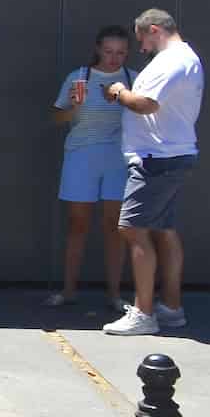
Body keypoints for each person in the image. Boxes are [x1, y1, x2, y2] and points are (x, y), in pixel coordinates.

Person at [103, 9, 203, 336]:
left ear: (155, 29)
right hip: (171, 154)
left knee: (133, 229)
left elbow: (146, 104)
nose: (141, 47)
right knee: (164, 229)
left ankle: (144, 313)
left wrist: (119, 92)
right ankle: (171, 307)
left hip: (155, 159)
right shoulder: (184, 59)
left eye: (142, 39)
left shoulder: (172, 61)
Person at [44, 26, 133, 312]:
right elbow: (56, 117)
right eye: (108, 51)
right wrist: (73, 106)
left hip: (118, 157)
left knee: (115, 227)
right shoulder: (79, 76)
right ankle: (69, 290)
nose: (113, 58)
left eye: (120, 52)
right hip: (81, 154)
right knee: (77, 224)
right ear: (97, 49)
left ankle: (115, 294)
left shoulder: (132, 78)